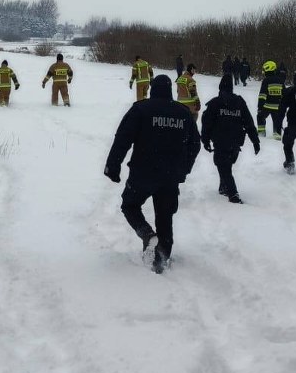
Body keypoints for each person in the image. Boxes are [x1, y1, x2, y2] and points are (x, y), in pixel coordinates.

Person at [104, 74, 202, 274]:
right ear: (170, 91)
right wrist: (184, 169)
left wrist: (113, 166)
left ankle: (147, 235)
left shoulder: (140, 109)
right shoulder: (183, 113)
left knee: (129, 205)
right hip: (170, 175)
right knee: (165, 216)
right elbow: (195, 144)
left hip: (143, 172)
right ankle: (161, 259)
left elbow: (122, 138)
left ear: (152, 89)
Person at [200, 74, 261, 203]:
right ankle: (223, 187)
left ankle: (233, 194)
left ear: (220, 87)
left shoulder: (215, 103)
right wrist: (255, 140)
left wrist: (205, 140)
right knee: (226, 166)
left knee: (224, 167)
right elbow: (249, 123)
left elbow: (206, 123)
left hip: (221, 142)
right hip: (235, 143)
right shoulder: (239, 102)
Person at [256, 60, 285, 138]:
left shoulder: (266, 80)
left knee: (260, 117)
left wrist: (260, 107)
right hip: (278, 107)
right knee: (277, 121)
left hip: (267, 106)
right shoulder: (281, 80)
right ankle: (277, 136)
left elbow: (262, 95)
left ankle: (261, 134)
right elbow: (284, 94)